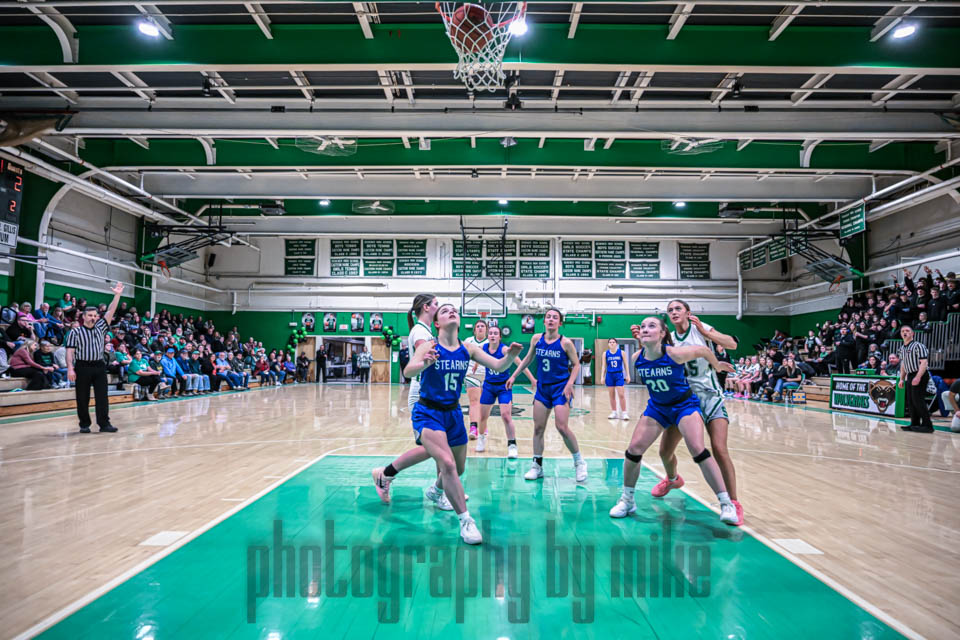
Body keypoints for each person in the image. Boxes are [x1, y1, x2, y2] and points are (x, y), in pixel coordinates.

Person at [400, 302, 522, 544]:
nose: (451, 312)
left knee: (459, 468)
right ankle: (466, 521)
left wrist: (511, 356)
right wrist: (424, 363)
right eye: (444, 311)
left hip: (453, 413)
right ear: (437, 323)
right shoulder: (428, 346)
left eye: (453, 310)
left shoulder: (468, 349)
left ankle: (436, 490)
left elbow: (498, 366)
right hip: (428, 411)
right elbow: (408, 372)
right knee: (447, 464)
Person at [609, 316, 738, 525]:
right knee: (633, 450)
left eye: (652, 326)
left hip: (683, 405)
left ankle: (726, 504)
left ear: (662, 334)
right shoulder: (636, 357)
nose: (645, 328)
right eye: (643, 326)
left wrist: (717, 366)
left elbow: (704, 350)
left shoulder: (674, 353)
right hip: (657, 408)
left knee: (698, 449)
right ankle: (627, 500)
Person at [660, 300, 743, 525]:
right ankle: (672, 479)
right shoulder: (669, 338)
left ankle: (733, 502)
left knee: (719, 448)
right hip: (685, 401)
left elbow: (732, 344)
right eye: (670, 310)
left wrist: (707, 333)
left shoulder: (701, 329)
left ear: (688, 312)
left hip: (710, 396)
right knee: (665, 451)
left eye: (678, 308)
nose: (674, 312)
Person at [372, 294, 443, 506]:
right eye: (436, 304)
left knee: (440, 447)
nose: (439, 307)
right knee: (435, 448)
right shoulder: (420, 332)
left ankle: (443, 489)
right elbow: (425, 358)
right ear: (426, 307)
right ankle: (386, 474)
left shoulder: (426, 330)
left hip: (429, 392)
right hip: (422, 393)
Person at [507, 307, 588, 483]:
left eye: (555, 317)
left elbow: (576, 365)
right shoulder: (536, 339)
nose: (551, 319)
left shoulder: (566, 343)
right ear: (544, 321)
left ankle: (579, 462)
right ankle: (537, 466)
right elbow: (527, 359)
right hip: (543, 389)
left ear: (560, 323)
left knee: (562, 427)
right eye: (548, 317)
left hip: (560, 389)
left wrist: (569, 384)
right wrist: (514, 375)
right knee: (538, 428)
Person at [66, 282, 124, 433]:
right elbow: (70, 351)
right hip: (82, 366)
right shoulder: (75, 332)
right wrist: (70, 368)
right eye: (90, 315)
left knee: (102, 396)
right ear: (83, 317)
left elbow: (111, 310)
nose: (93, 318)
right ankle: (84, 424)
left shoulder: (101, 327)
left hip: (99, 365)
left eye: (95, 315)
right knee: (82, 397)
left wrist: (117, 295)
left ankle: (104, 424)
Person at [476, 324, 536, 456]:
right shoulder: (483, 348)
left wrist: (532, 379)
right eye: (490, 333)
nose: (492, 335)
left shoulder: (503, 349)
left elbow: (520, 363)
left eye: (495, 333)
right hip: (488, 386)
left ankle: (512, 444)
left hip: (504, 387)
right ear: (487, 336)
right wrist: (475, 365)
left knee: (506, 415)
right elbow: (476, 356)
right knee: (483, 416)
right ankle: (481, 438)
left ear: (500, 337)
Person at [898, 325, 933, 433]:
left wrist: (918, 377)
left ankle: (928, 425)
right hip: (910, 375)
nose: (905, 332)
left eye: (907, 331)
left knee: (918, 400)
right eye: (903, 331)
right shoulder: (902, 348)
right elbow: (903, 364)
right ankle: (914, 423)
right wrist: (901, 379)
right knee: (911, 401)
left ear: (912, 333)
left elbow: (924, 363)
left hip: (920, 374)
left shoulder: (918, 346)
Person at [463, 319, 488, 440]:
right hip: (471, 374)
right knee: (474, 401)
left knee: (484, 403)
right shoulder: (468, 341)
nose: (480, 328)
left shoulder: (490, 341)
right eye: (478, 326)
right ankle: (473, 427)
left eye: (483, 326)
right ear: (474, 330)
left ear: (486, 330)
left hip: (487, 375)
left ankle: (483, 425)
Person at [600, 337, 631, 420]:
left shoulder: (621, 352)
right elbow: (604, 366)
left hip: (619, 375)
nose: (612, 343)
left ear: (616, 344)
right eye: (610, 342)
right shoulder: (605, 353)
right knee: (611, 395)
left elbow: (626, 364)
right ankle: (614, 412)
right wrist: (602, 377)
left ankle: (624, 413)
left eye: (613, 342)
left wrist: (628, 375)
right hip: (609, 375)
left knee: (621, 394)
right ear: (608, 344)